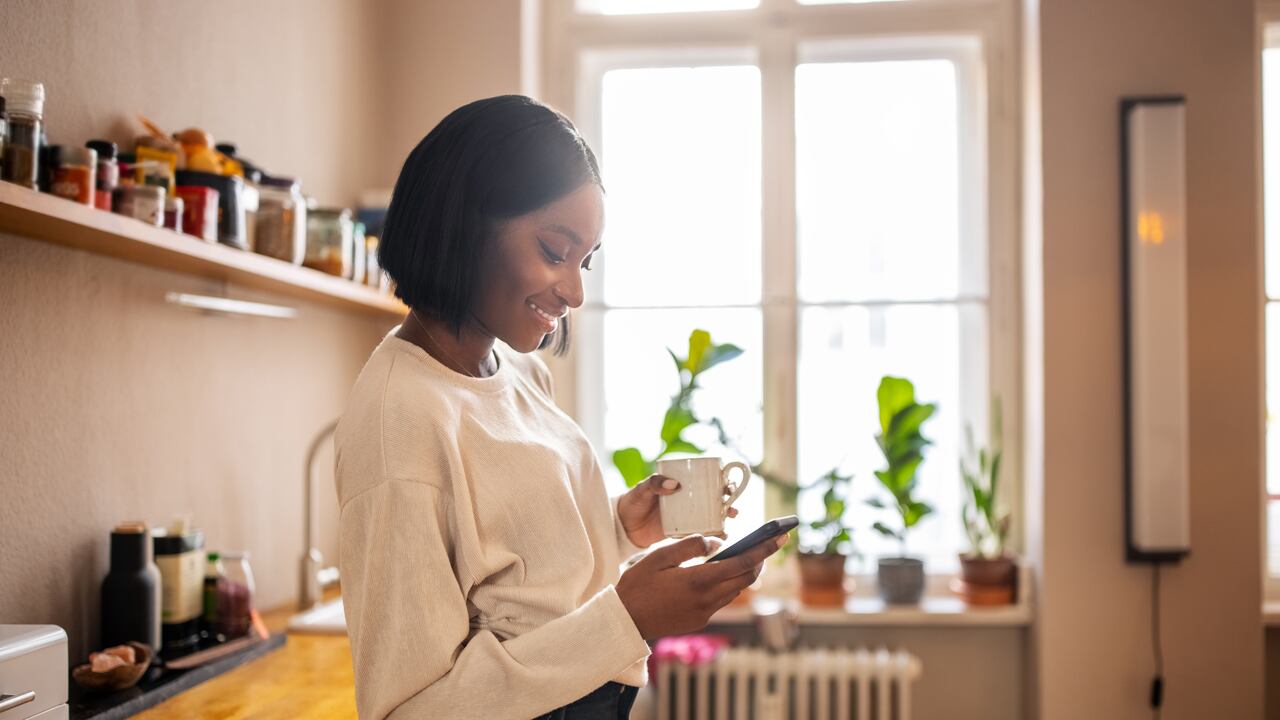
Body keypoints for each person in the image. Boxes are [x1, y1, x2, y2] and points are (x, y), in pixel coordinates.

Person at [335, 95, 786, 720]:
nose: (574, 290)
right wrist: (628, 617)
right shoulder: (402, 419)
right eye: (554, 250)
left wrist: (624, 528)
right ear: (465, 224)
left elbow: (517, 577)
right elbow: (409, 709)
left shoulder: (520, 371)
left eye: (585, 261)